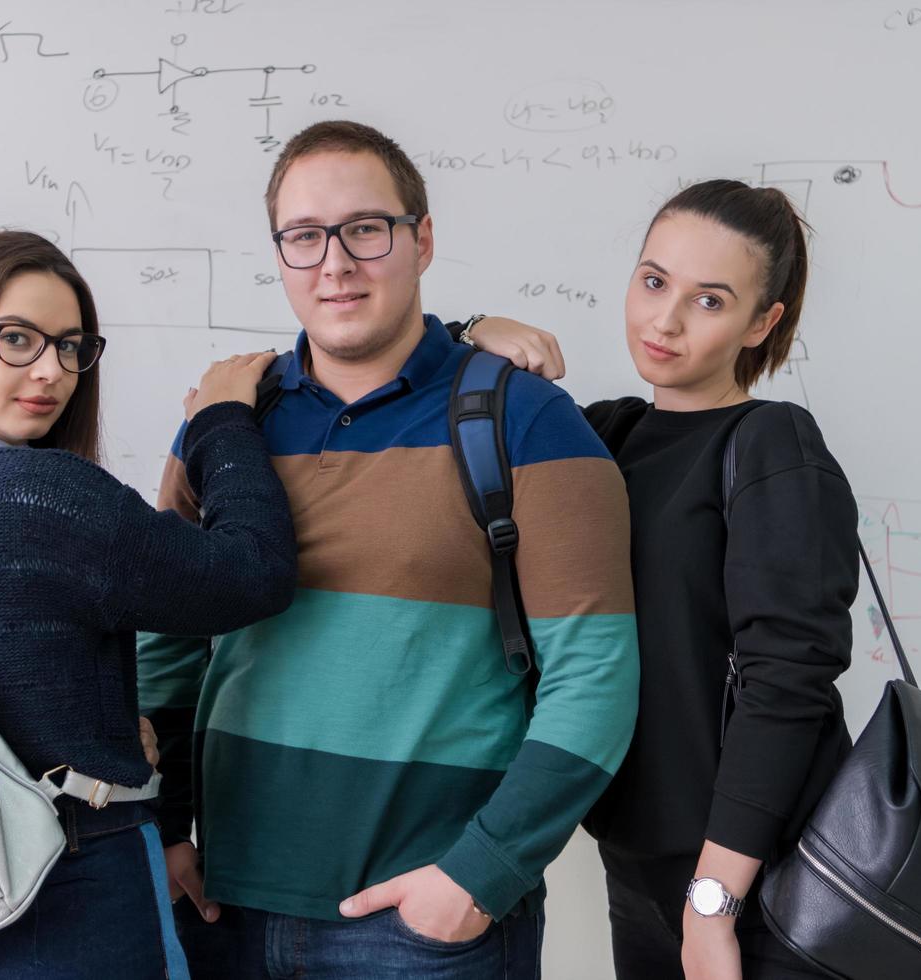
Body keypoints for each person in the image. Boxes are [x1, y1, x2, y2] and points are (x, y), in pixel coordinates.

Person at [137, 120, 641, 979]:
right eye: (304, 236)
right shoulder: (225, 424)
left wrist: (477, 878)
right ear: (281, 253)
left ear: (422, 239)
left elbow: (594, 676)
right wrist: (167, 834)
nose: (334, 263)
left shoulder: (524, 419)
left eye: (365, 229)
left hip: (425, 931)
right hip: (223, 912)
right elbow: (166, 653)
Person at [0, 229, 297, 978]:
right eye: (16, 339)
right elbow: (251, 574)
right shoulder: (37, 492)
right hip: (69, 887)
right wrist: (221, 422)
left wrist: (108, 729)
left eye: (72, 346)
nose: (52, 370)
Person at [459, 179, 858, 979]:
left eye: (709, 301)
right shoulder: (604, 435)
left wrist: (714, 901)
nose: (664, 320)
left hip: (756, 875)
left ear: (762, 322)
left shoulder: (772, 443)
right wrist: (469, 332)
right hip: (635, 857)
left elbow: (789, 678)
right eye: (653, 282)